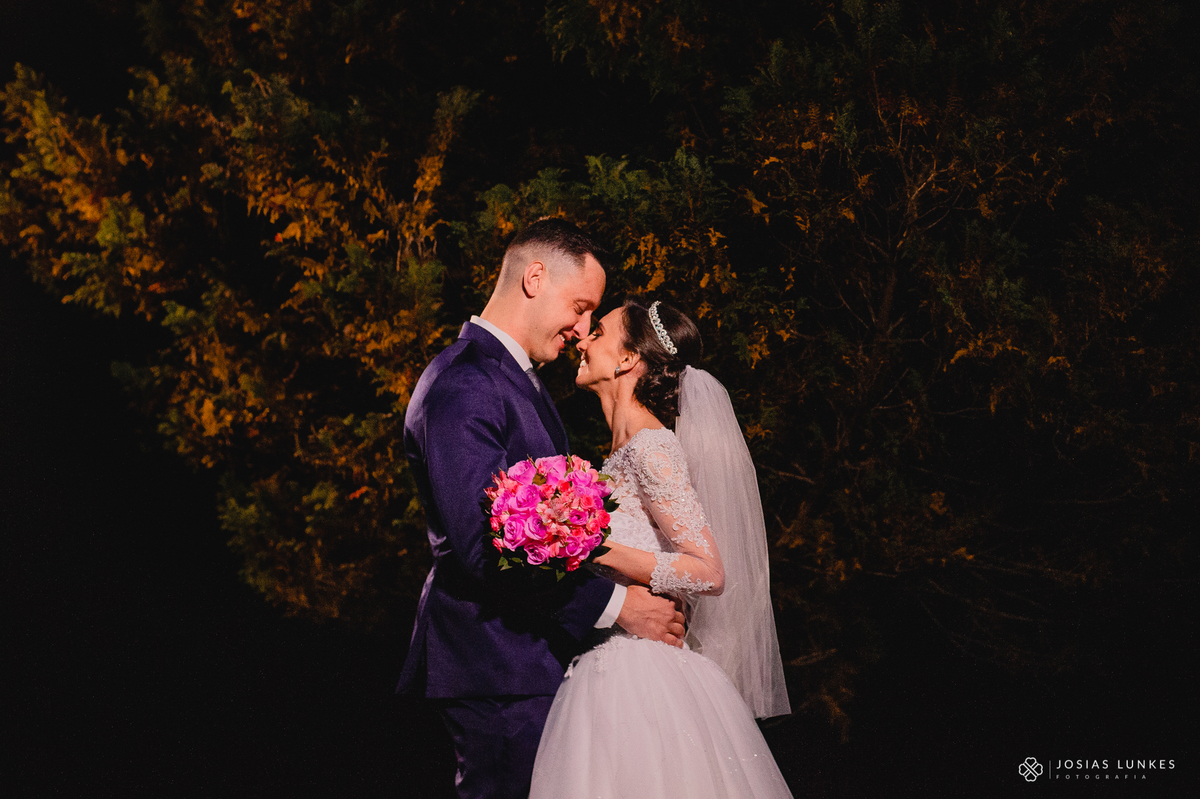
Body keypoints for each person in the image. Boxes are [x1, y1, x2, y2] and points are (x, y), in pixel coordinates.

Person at [398, 220, 686, 799]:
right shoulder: (465, 382)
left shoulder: (516, 382)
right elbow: (484, 547)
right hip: (498, 665)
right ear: (534, 278)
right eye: (580, 306)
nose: (583, 329)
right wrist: (617, 606)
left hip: (529, 661)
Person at [530, 298, 794, 798]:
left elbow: (709, 572)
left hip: (641, 678)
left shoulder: (651, 445)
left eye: (599, 332)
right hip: (608, 661)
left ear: (628, 359)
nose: (582, 340)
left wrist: (592, 546)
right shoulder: (620, 450)